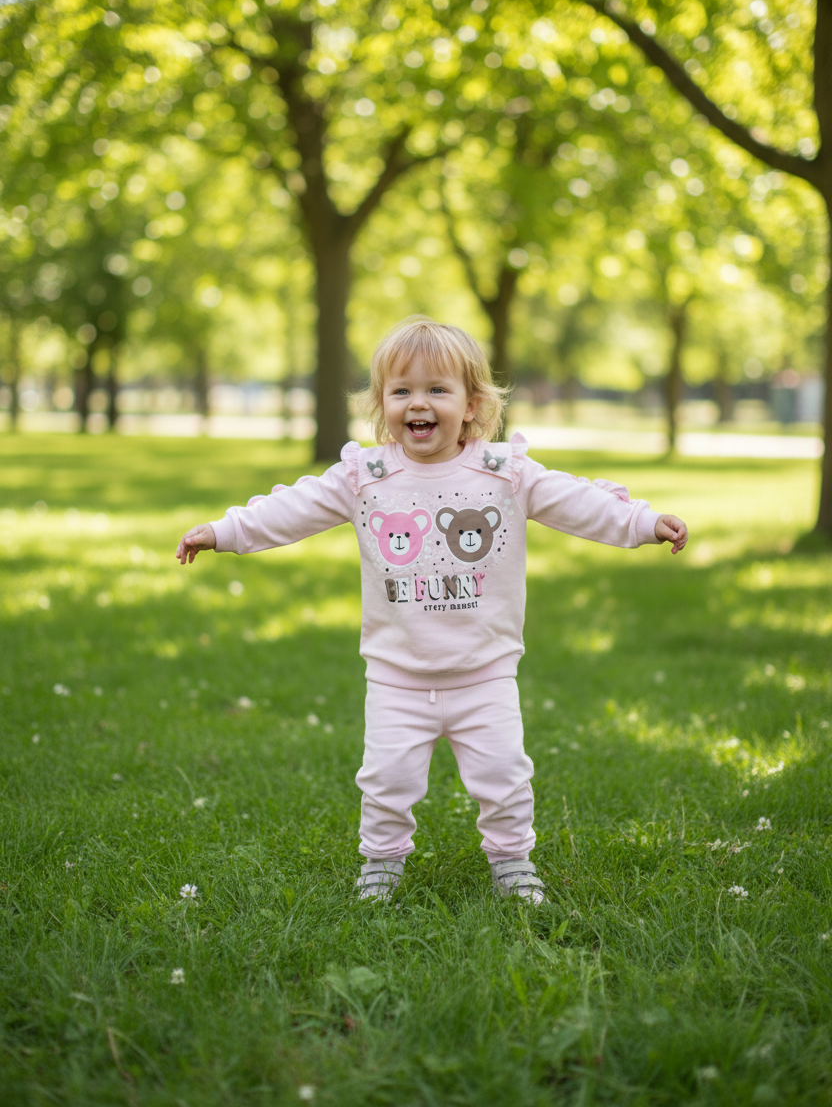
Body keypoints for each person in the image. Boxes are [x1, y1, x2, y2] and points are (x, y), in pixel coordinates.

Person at [175, 317, 688, 905]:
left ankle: (512, 862)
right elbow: (293, 508)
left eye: (437, 390)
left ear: (472, 404)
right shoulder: (365, 477)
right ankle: (382, 865)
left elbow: (578, 502)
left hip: (484, 671)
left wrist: (642, 522)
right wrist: (224, 530)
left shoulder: (505, 474)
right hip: (398, 674)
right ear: (382, 404)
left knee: (504, 779)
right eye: (402, 391)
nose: (418, 403)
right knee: (386, 780)